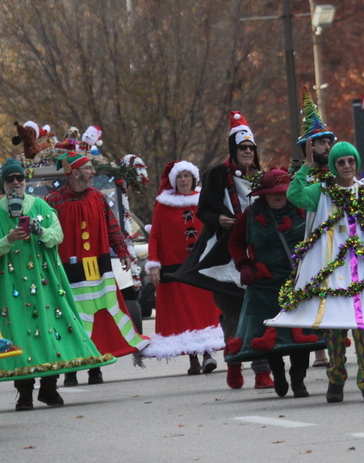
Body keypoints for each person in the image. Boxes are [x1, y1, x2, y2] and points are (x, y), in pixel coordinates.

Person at [266, 142, 364, 403]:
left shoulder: (363, 193)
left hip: (362, 273)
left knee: (363, 328)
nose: (346, 166)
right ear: (333, 165)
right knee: (334, 330)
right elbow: (295, 195)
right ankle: (336, 378)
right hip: (331, 273)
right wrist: (307, 166)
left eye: (350, 161)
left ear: (356, 163)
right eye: (341, 162)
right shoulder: (321, 192)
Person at [0, 159, 114, 410]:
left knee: (52, 327)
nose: (16, 183)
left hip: (44, 281)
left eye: (20, 178)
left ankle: (49, 387)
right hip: (11, 285)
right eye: (10, 180)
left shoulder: (40, 205)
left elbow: (57, 235)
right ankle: (25, 392)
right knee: (19, 333)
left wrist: (39, 230)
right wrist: (8, 239)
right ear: (4, 184)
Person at [172, 111, 273, 390]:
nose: (248, 153)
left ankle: (263, 371)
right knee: (232, 313)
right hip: (225, 256)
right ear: (233, 149)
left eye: (251, 149)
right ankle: (234, 362)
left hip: (258, 252)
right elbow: (203, 210)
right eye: (243, 148)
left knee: (261, 312)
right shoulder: (216, 175)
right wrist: (220, 219)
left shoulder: (262, 178)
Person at [45, 152, 148, 387]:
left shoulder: (99, 199)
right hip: (67, 271)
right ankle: (71, 369)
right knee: (71, 317)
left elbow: (113, 228)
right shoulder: (54, 200)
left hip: (97, 268)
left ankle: (95, 367)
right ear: (74, 172)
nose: (93, 172)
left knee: (100, 316)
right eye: (89, 168)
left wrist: (122, 252)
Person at [227, 169, 326, 398]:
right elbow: (234, 242)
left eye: (282, 192)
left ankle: (298, 379)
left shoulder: (303, 211)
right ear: (264, 195)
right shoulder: (251, 215)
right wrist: (244, 265)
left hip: (300, 283)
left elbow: (321, 237)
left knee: (300, 336)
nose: (278, 197)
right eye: (273, 193)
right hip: (264, 286)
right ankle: (278, 374)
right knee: (271, 336)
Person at [142, 161, 223, 373]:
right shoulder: (163, 205)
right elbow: (155, 236)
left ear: (194, 179)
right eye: (180, 177)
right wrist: (154, 264)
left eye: (187, 176)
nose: (184, 180)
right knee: (183, 314)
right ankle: (192, 359)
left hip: (200, 265)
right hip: (174, 268)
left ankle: (207, 354)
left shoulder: (203, 201)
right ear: (174, 181)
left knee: (204, 312)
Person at [296, 86, 336, 368]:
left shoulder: (339, 174)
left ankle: (336, 348)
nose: (325, 147)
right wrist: (306, 170)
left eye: (327, 142)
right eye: (319, 143)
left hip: (339, 244)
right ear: (308, 148)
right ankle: (319, 349)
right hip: (312, 245)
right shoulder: (298, 177)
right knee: (315, 297)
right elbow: (296, 203)